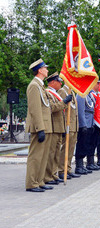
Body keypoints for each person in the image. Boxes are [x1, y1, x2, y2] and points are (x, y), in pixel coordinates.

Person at [25, 59, 53, 192]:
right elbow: (35, 109)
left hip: (46, 126)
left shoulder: (40, 86)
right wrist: (40, 128)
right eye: (45, 68)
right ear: (40, 70)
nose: (47, 70)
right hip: (40, 127)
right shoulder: (34, 86)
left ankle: (39, 180)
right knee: (36, 156)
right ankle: (32, 183)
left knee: (43, 156)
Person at [44, 72, 72, 185]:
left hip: (59, 127)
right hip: (53, 127)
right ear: (52, 82)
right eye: (59, 81)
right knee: (51, 154)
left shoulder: (55, 94)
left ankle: (54, 174)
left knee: (56, 153)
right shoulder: (48, 93)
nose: (61, 83)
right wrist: (64, 102)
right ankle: (48, 176)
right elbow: (52, 108)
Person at [58, 81, 81, 179]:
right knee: (65, 149)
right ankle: (62, 170)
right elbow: (62, 110)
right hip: (67, 125)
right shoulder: (62, 91)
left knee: (71, 148)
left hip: (73, 125)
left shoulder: (72, 92)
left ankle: (68, 168)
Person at [75, 88, 97, 174]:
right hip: (84, 124)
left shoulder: (88, 95)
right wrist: (83, 124)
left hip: (89, 123)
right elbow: (80, 111)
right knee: (81, 145)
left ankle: (83, 165)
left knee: (87, 144)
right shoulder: (81, 94)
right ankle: (79, 166)